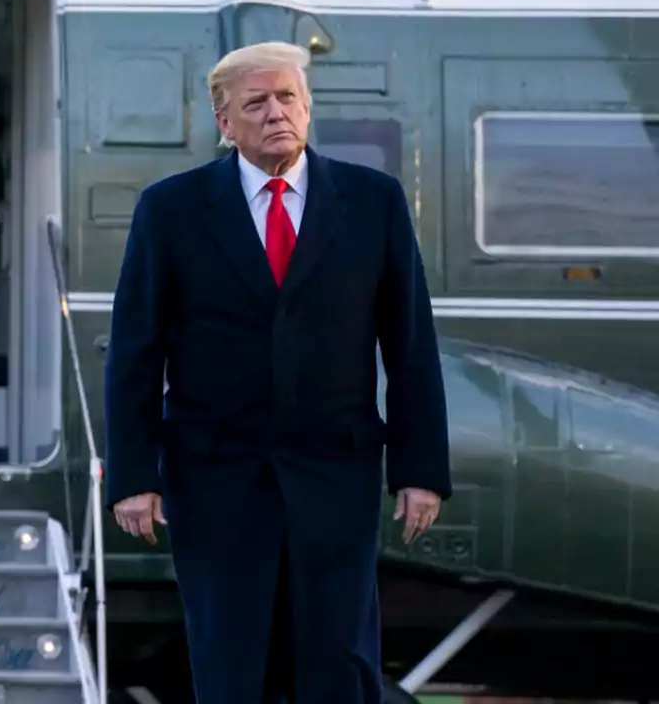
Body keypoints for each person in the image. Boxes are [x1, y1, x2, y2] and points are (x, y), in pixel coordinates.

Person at [104, 41, 451, 703]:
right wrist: (132, 479)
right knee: (231, 662)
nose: (275, 114)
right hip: (214, 479)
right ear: (225, 123)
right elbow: (136, 352)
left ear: (308, 107)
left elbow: (409, 344)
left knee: (338, 661)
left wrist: (418, 470)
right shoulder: (171, 211)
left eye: (287, 97)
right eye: (255, 103)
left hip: (335, 474)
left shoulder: (372, 202)